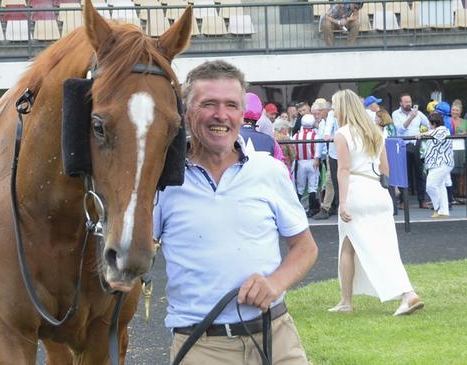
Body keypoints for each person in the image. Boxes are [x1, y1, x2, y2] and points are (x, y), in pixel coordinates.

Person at [154, 60, 318, 364]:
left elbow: (305, 248)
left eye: (231, 105)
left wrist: (275, 283)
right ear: (187, 114)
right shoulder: (162, 181)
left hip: (276, 338)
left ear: (242, 114)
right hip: (202, 347)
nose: (221, 115)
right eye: (209, 104)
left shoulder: (269, 170)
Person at [328, 89, 423, 317]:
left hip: (356, 192)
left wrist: (342, 203)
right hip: (378, 192)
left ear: (341, 108)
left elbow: (343, 169)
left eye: (334, 106)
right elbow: (385, 169)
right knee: (364, 246)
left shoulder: (342, 134)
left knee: (355, 247)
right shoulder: (376, 132)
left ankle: (406, 294)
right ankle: (346, 301)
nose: (332, 111)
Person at [392, 93, 430, 209]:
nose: (408, 104)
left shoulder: (418, 113)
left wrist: (423, 134)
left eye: (410, 101)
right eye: (406, 102)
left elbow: (430, 125)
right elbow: (400, 130)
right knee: (404, 175)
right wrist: (411, 117)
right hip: (403, 145)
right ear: (401, 103)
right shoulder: (396, 114)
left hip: (416, 145)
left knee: (420, 174)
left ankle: (422, 200)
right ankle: (404, 201)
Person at [419, 113, 454, 218]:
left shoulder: (442, 129)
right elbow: (432, 133)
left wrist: (421, 134)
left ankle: (437, 207)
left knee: (430, 186)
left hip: (441, 163)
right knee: (440, 186)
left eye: (430, 123)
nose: (428, 125)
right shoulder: (435, 131)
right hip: (437, 164)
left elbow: (436, 133)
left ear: (434, 123)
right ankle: (444, 211)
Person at [293, 114, 322, 217]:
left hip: (300, 162)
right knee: (312, 186)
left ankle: (296, 208)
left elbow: (293, 149)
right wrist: (317, 158)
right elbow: (318, 149)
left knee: (300, 186)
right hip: (312, 161)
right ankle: (312, 208)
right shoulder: (315, 135)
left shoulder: (296, 136)